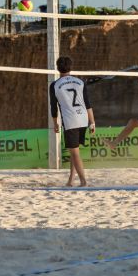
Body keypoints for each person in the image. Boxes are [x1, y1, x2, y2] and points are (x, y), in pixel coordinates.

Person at [49, 56, 96, 187]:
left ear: (57, 68)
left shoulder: (54, 85)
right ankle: (71, 180)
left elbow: (54, 107)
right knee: (74, 151)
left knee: (74, 153)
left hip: (70, 121)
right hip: (83, 119)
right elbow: (87, 103)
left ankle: (83, 181)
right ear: (71, 67)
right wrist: (92, 122)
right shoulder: (80, 82)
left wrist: (55, 123)